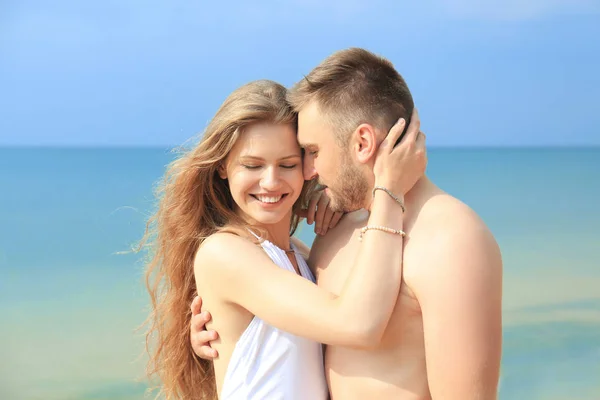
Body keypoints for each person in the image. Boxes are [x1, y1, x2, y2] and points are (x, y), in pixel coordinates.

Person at [191, 48, 503, 399]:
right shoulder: (335, 235)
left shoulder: (450, 239)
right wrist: (227, 324)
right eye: (253, 165)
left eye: (309, 153)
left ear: (362, 143)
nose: (309, 172)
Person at [142, 78, 427, 399]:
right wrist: (388, 190)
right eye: (252, 165)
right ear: (222, 166)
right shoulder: (224, 253)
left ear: (308, 167)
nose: (271, 181)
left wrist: (342, 206)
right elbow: (358, 326)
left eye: (288, 164)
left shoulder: (301, 258)